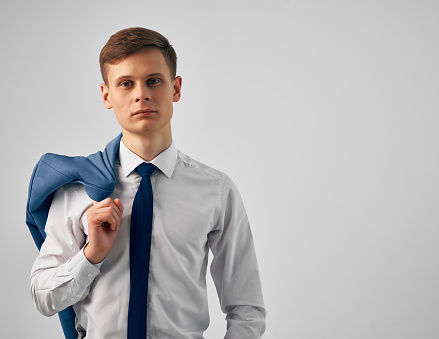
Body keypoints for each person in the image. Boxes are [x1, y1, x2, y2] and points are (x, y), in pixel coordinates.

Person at [27, 27, 266, 339]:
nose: (141, 94)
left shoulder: (217, 192)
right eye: (126, 84)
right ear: (106, 95)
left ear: (176, 88)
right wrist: (91, 255)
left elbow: (246, 307)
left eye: (154, 80)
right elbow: (44, 298)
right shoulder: (78, 191)